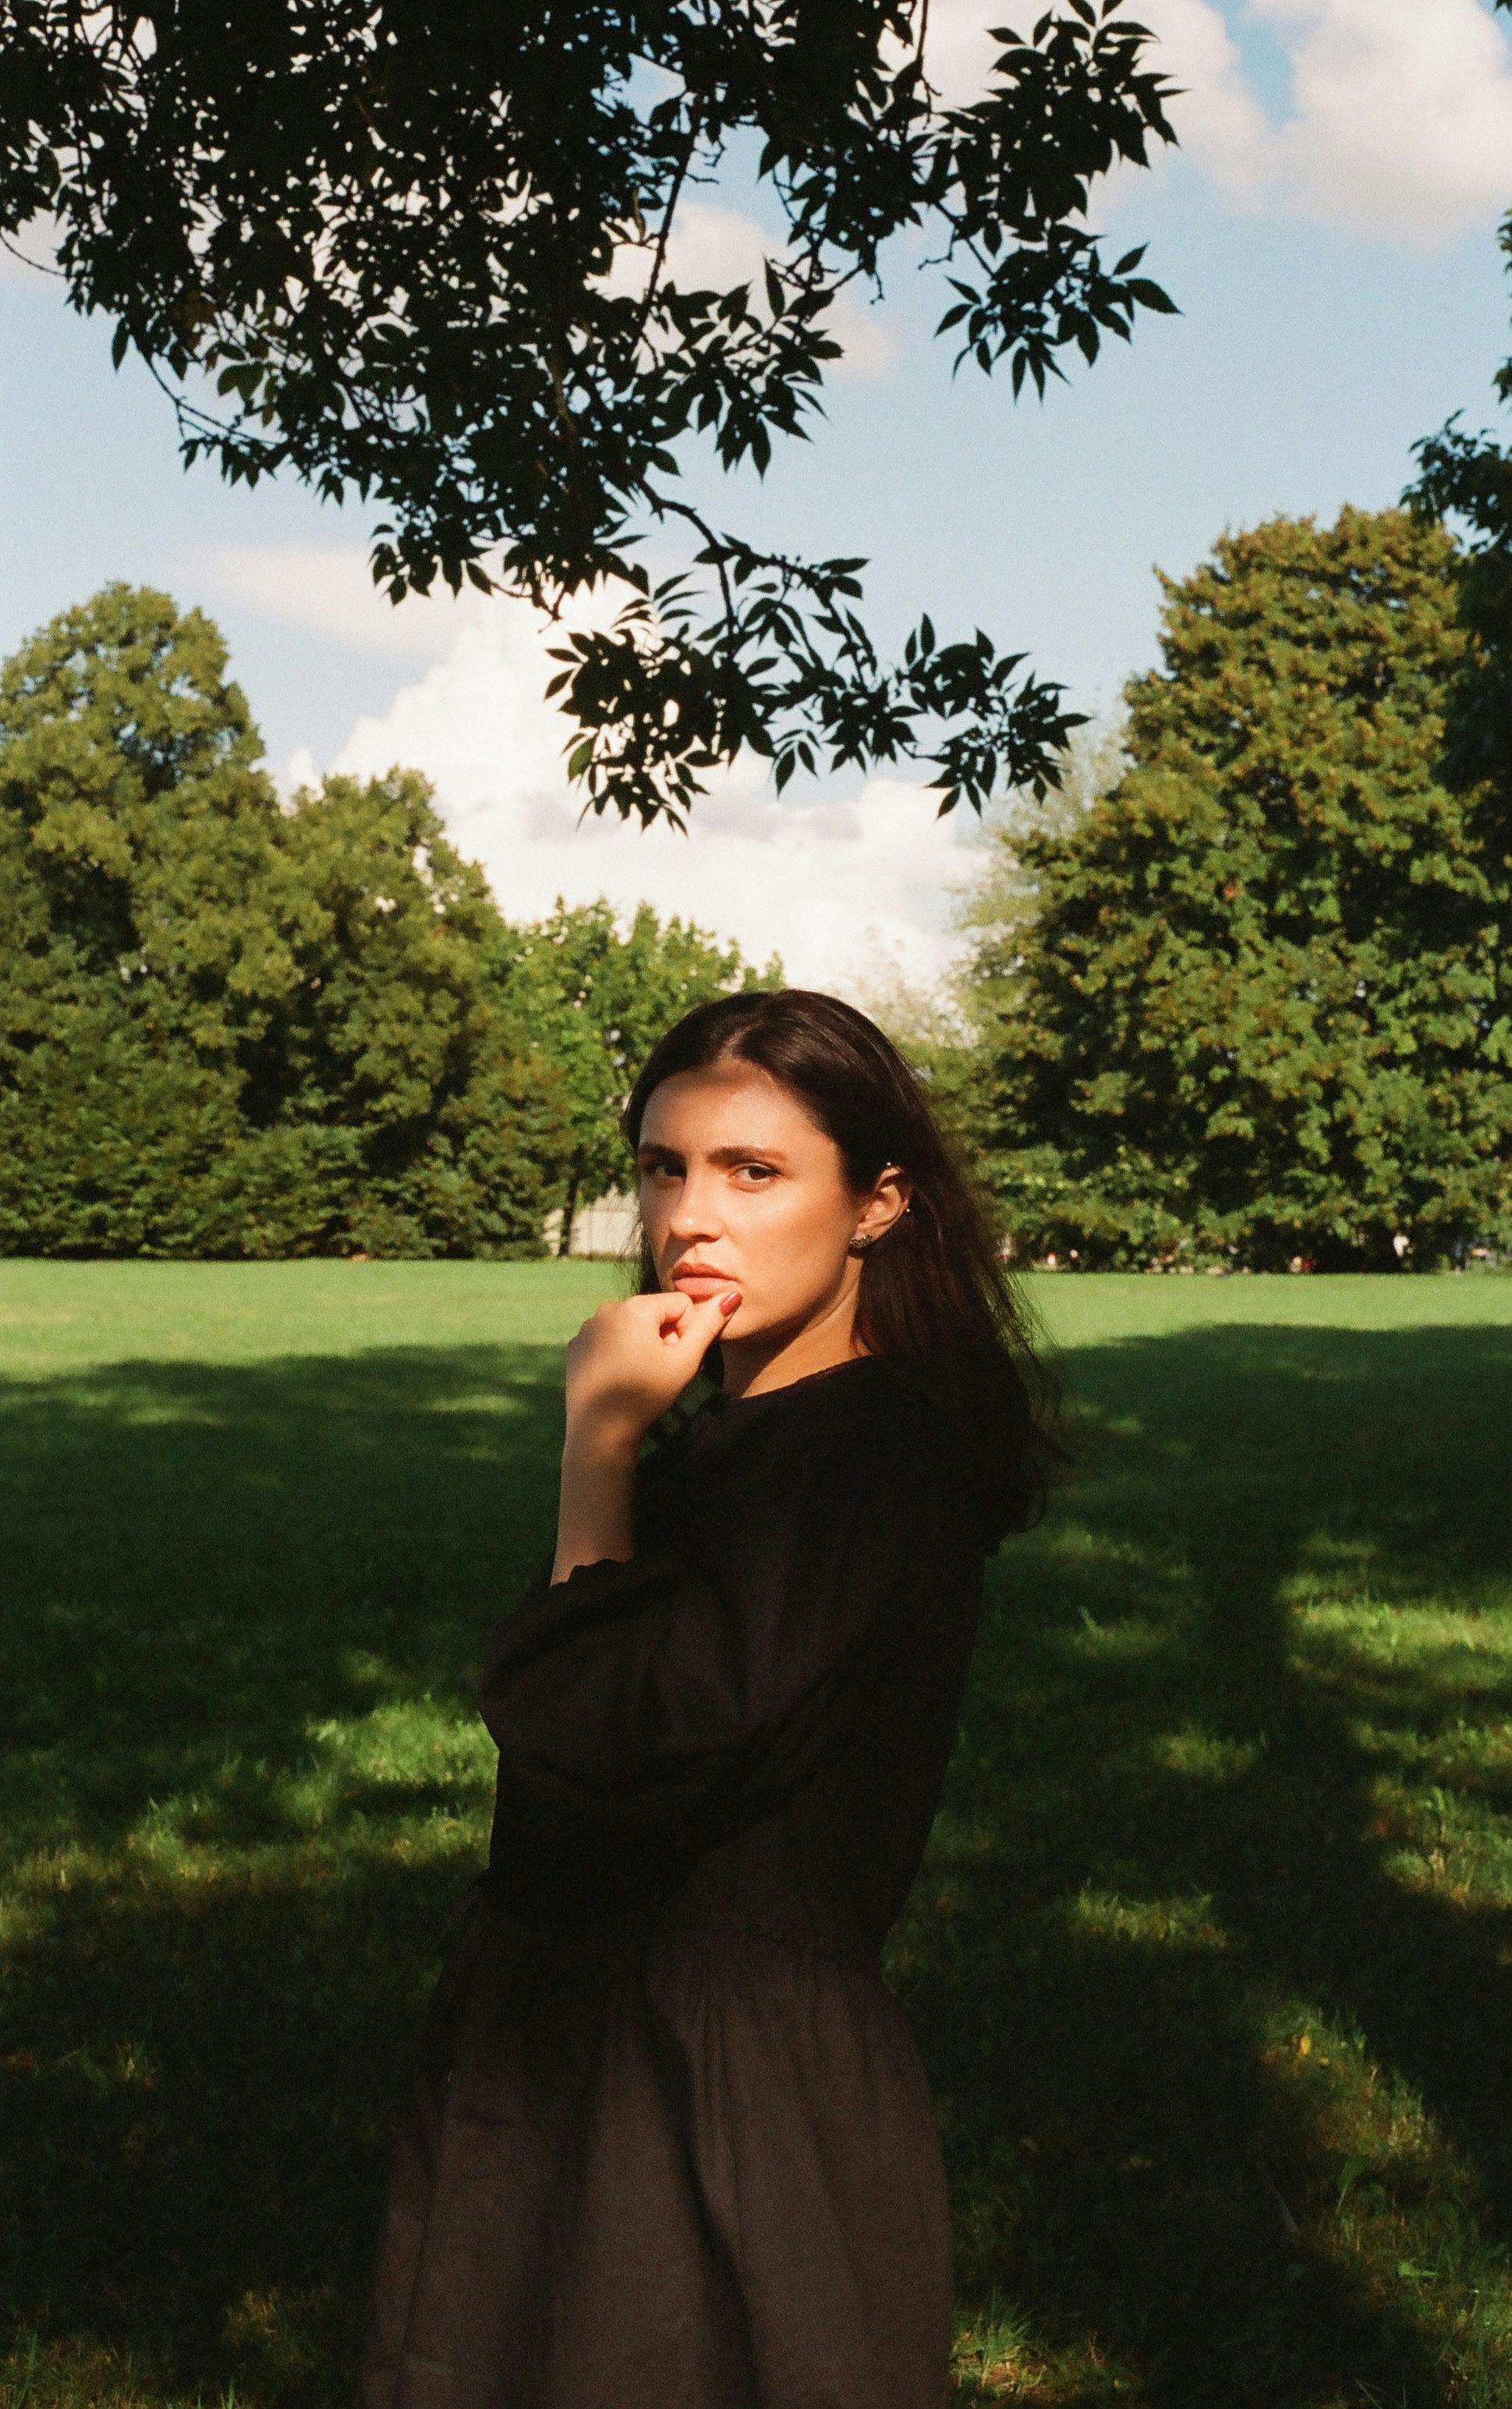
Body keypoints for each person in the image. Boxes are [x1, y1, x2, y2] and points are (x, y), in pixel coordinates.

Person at [359, 987, 1061, 2409]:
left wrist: (599, 1441)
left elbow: (606, 1741)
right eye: (666, 1167)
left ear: (877, 1203)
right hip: (593, 2036)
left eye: (754, 1171)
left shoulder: (862, 1458)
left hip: (706, 2087)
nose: (692, 1215)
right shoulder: (760, 1442)